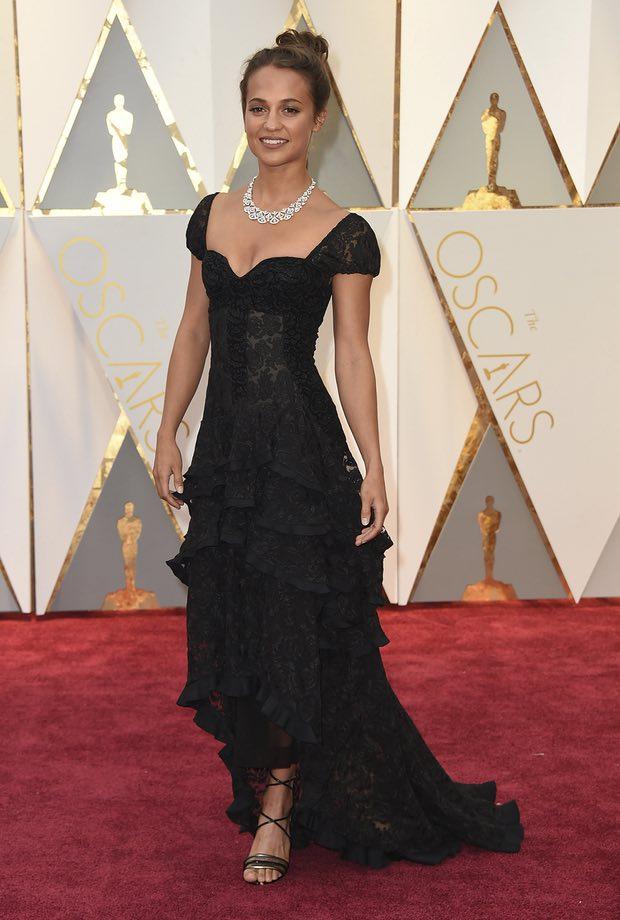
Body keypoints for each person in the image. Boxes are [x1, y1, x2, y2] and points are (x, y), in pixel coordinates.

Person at [154, 29, 524, 886]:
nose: (271, 123)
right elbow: (192, 330)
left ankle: (278, 808)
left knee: (291, 627)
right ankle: (278, 780)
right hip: (227, 456)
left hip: (302, 456)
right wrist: (168, 428)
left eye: (289, 109)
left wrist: (376, 464)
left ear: (317, 119)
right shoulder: (211, 215)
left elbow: (352, 354)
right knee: (237, 617)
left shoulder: (344, 232)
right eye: (258, 107)